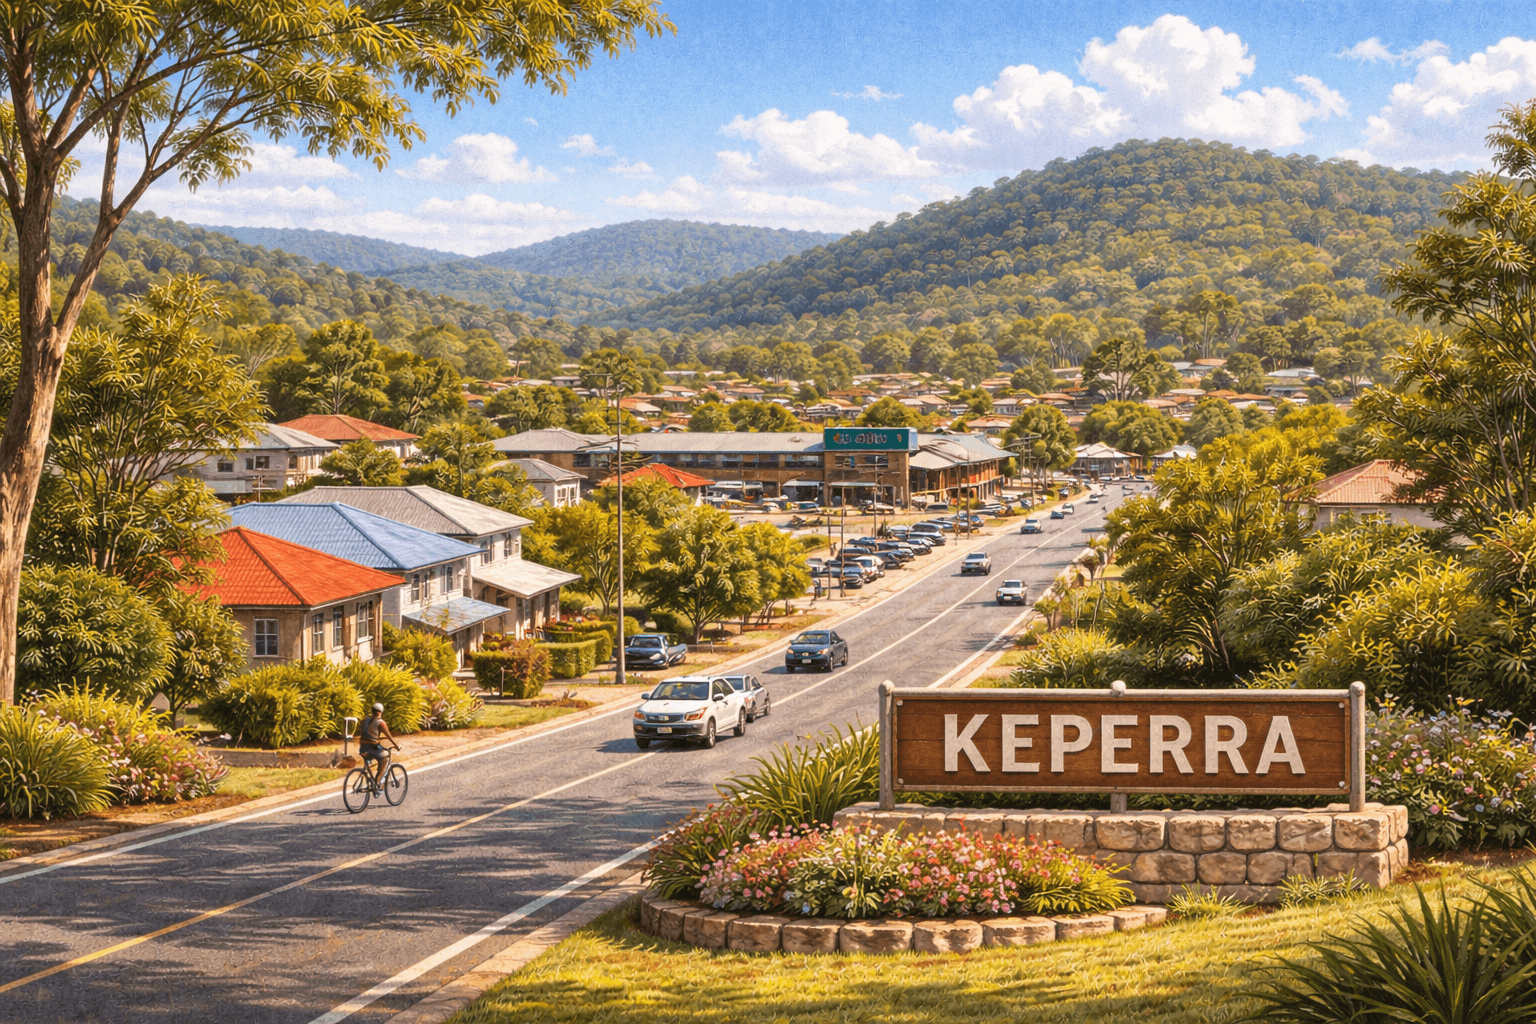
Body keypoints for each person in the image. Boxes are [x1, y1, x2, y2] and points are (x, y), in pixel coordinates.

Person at [358, 702, 398, 792]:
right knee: (386, 757)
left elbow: (361, 730)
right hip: (372, 747)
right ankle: (378, 781)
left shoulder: (365, 720)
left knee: (376, 756)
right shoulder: (381, 722)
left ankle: (372, 780)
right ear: (380, 712)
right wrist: (396, 745)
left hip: (362, 748)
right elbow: (389, 736)